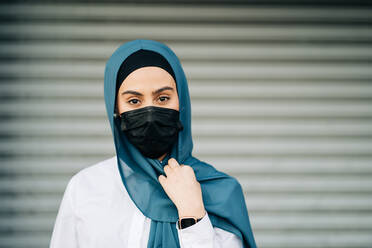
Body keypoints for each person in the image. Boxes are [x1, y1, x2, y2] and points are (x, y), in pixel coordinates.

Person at [50, 39, 257, 248]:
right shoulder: (86, 188)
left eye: (163, 98)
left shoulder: (220, 192)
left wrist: (193, 214)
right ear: (116, 110)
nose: (149, 114)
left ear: (181, 103)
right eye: (134, 101)